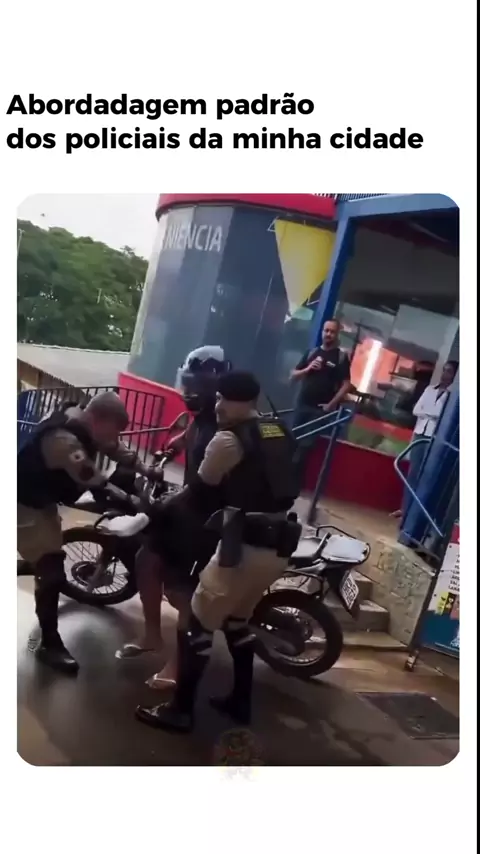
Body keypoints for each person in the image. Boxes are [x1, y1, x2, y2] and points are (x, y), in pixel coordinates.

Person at [135, 370, 301, 733]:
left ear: (242, 401)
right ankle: (240, 701)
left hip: (242, 547)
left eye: (224, 399)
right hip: (278, 547)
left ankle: (180, 711)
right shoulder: (278, 430)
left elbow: (199, 490)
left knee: (197, 625)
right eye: (219, 398)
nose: (218, 405)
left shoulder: (228, 439)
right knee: (237, 623)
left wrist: (161, 507)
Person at [17, 391, 161, 674]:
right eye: (114, 429)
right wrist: (134, 502)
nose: (116, 437)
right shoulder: (65, 441)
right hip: (22, 504)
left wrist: (147, 470)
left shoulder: (79, 419)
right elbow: (95, 481)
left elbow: (113, 447)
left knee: (47, 552)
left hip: (40, 500)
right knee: (52, 572)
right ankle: (49, 644)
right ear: (98, 419)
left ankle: (32, 562)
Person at [115, 346, 231, 688]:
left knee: (183, 594)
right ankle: (152, 636)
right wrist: (178, 442)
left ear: (216, 386)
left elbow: (207, 485)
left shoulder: (222, 428)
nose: (190, 391)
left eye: (199, 385)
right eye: (188, 383)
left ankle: (179, 665)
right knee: (146, 559)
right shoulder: (206, 418)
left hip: (208, 521)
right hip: (190, 511)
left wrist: (171, 500)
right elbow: (193, 432)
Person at [392, 359, 458, 522]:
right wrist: (431, 414)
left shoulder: (452, 396)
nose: (445, 374)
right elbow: (416, 410)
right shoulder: (430, 390)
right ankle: (404, 509)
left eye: (449, 371)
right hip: (420, 434)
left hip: (433, 438)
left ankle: (416, 514)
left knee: (427, 476)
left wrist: (428, 413)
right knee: (413, 473)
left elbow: (443, 417)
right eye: (444, 370)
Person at [290, 318, 352, 483]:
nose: (328, 334)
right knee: (292, 441)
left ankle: (294, 482)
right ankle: (284, 479)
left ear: (337, 334)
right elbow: (293, 376)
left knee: (305, 446)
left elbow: (346, 384)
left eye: (332, 332)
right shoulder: (312, 353)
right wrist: (308, 369)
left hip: (319, 409)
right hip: (302, 405)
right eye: (326, 331)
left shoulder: (340, 357)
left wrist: (331, 405)